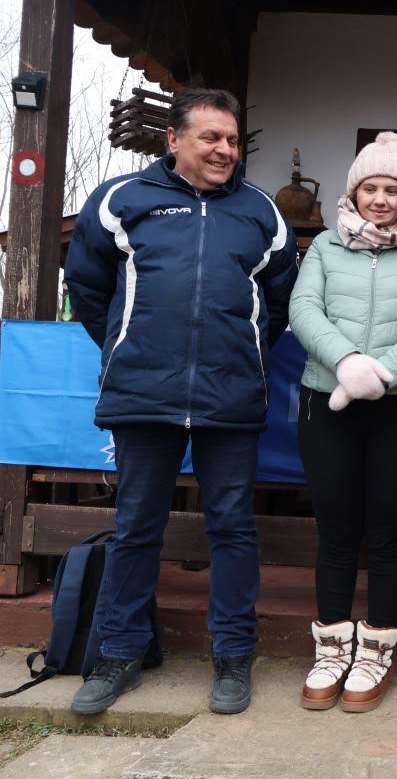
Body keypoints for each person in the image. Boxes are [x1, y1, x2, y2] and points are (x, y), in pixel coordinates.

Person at [64, 88, 297, 715]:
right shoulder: (121, 200)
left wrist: (241, 352)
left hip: (231, 395)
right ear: (173, 139)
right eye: (210, 137)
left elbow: (278, 304)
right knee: (137, 527)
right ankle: (119, 654)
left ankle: (233, 656)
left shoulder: (263, 212)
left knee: (233, 528)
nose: (225, 150)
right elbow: (87, 287)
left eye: (232, 140)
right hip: (144, 393)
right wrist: (130, 344)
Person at [290, 133, 397, 712]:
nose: (380, 200)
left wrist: (381, 374)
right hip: (327, 403)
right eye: (370, 188)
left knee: (387, 532)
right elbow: (303, 308)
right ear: (354, 193)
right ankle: (332, 647)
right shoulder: (325, 246)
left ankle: (376, 650)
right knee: (336, 531)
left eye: (391, 190)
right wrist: (347, 364)